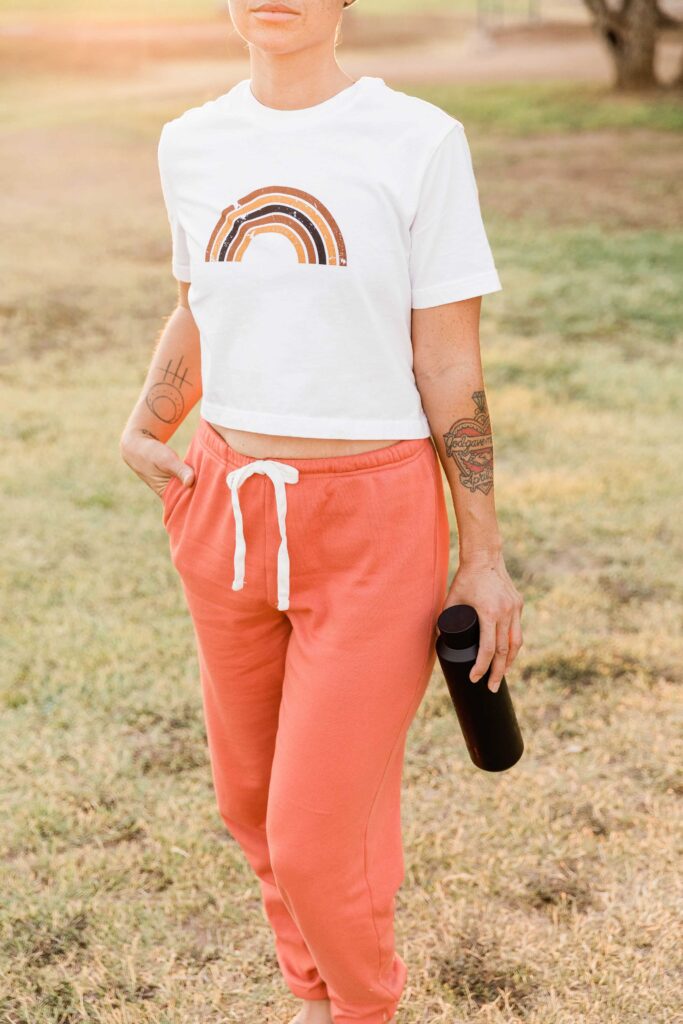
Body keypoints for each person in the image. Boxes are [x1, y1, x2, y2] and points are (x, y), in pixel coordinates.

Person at [119, 2, 524, 1021]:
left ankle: (360, 1005)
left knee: (315, 833)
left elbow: (445, 359)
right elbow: (201, 295)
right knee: (249, 807)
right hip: (226, 509)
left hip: (373, 522)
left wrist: (482, 554)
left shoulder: (417, 140)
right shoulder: (191, 140)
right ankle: (308, 994)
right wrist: (148, 417)